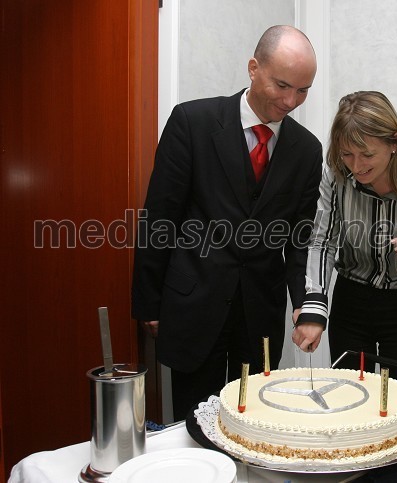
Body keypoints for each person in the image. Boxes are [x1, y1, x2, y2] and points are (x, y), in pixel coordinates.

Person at [132, 25, 322, 421]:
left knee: (251, 421)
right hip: (192, 303)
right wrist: (149, 301)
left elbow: (300, 239)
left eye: (303, 90)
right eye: (283, 85)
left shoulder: (306, 150)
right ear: (254, 68)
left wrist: (307, 306)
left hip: (260, 314)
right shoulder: (192, 121)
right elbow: (159, 217)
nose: (291, 101)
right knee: (193, 423)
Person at [292, 91, 397, 384]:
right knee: (350, 396)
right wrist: (314, 307)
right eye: (347, 154)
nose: (356, 166)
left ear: (393, 142)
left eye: (367, 154)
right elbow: (323, 240)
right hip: (350, 302)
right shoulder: (336, 177)